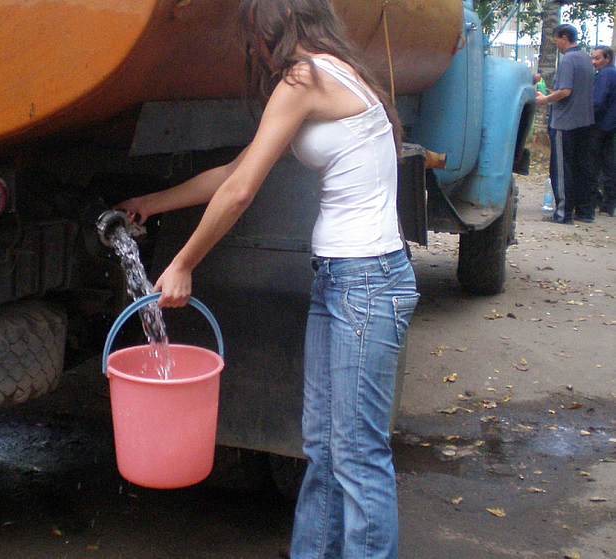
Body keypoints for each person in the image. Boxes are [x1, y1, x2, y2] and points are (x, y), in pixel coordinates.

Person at [117, 1, 420, 557]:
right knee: (325, 448)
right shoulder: (329, 70)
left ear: (268, 28)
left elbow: (240, 192)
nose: (253, 48)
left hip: (367, 282)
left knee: (356, 455)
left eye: (252, 34)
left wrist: (183, 261)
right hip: (343, 279)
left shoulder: (304, 77)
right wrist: (151, 204)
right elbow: (235, 170)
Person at [536, 24, 597, 224]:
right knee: (581, 167)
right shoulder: (586, 58)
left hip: (565, 122)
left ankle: (562, 213)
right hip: (585, 121)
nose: (557, 45)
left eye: (557, 41)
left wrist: (545, 99)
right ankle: (583, 211)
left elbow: (565, 91)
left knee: (561, 169)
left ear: (564, 37)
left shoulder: (568, 60)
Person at [591, 45, 616, 217]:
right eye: (592, 58)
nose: (594, 62)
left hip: (601, 125)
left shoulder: (606, 74)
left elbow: (598, 101)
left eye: (597, 58)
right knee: (609, 165)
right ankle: (608, 203)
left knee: (594, 164)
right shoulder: (612, 73)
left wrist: (589, 118)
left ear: (608, 58)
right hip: (610, 125)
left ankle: (598, 200)